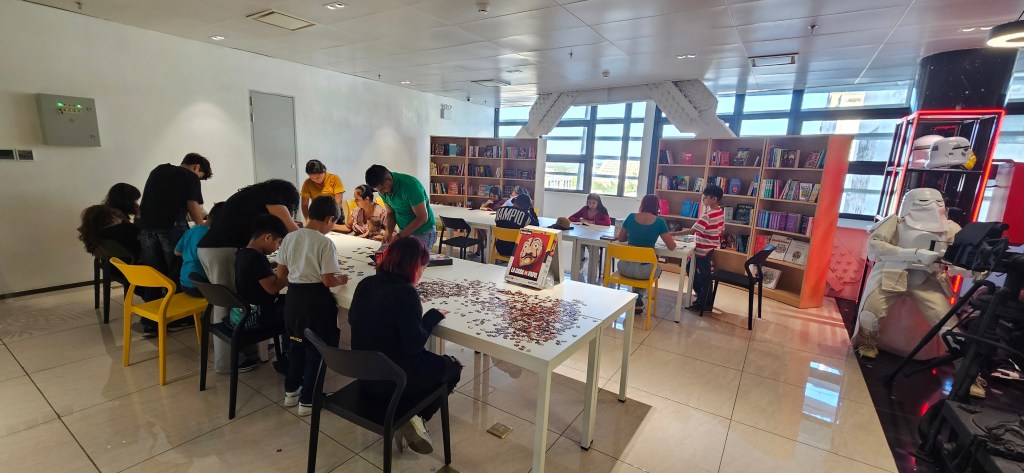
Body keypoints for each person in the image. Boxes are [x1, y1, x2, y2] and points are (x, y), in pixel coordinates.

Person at [348, 236, 462, 454]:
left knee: (424, 360)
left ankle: (409, 415)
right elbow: (414, 344)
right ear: (413, 266)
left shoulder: (365, 284)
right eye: (422, 267)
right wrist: (430, 317)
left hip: (364, 376)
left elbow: (354, 320)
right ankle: (414, 416)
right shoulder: (406, 293)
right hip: (394, 380)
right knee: (452, 367)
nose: (422, 272)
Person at [198, 179, 300, 374]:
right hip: (221, 251)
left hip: (210, 248)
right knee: (226, 304)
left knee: (236, 300)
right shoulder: (274, 201)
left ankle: (249, 349)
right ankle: (227, 362)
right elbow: (296, 235)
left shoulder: (250, 196)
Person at [856, 188, 960, 360]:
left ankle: (962, 362)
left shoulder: (950, 228)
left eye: (937, 202)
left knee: (948, 324)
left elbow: (959, 256)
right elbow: (876, 246)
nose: (931, 206)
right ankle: (867, 343)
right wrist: (914, 253)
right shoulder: (895, 223)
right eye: (924, 202)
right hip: (893, 275)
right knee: (870, 312)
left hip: (928, 280)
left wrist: (967, 268)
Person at [277, 195, 349, 416]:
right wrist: (342, 279)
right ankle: (308, 400)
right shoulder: (324, 242)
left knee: (296, 345)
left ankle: (291, 392)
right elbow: (328, 281)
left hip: (293, 299)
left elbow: (281, 274)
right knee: (317, 351)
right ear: (329, 219)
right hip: (316, 301)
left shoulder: (290, 238)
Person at [136, 153, 211, 334]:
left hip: (146, 229)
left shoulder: (158, 170)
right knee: (177, 271)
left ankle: (151, 322)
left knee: (153, 274)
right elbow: (193, 205)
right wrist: (201, 228)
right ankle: (179, 317)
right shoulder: (190, 176)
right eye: (201, 176)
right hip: (171, 227)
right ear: (197, 168)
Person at [617, 194, 677, 313]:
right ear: (657, 207)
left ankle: (635, 297)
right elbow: (671, 246)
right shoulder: (659, 222)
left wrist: (634, 235)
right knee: (654, 268)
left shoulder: (631, 217)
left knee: (637, 264)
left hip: (624, 267)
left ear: (642, 204)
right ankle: (638, 296)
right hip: (645, 271)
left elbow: (621, 239)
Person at [232, 214, 289, 332]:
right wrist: (290, 273)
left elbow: (259, 271)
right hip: (255, 318)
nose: (278, 247)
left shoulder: (243, 252)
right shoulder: (257, 258)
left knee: (289, 302)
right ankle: (292, 343)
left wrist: (278, 264)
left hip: (241, 314)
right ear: (268, 237)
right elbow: (272, 288)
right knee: (297, 309)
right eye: (279, 242)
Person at [673, 185, 724, 311]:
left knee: (702, 274)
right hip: (709, 246)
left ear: (714, 199)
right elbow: (721, 230)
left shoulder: (708, 215)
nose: (703, 199)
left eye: (705, 197)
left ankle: (704, 301)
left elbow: (693, 230)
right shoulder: (720, 212)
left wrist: (672, 234)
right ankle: (703, 297)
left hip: (703, 249)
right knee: (699, 271)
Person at [365, 164, 438, 250]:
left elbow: (422, 218)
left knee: (419, 258)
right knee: (403, 257)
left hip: (423, 231)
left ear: (389, 179)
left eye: (382, 189)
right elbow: (391, 212)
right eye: (378, 190)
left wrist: (400, 236)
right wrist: (388, 232)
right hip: (404, 230)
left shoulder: (410, 186)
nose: (382, 193)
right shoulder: (383, 191)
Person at [174, 202, 223, 298]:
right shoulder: (215, 235)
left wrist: (190, 253)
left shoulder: (190, 231)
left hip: (184, 283)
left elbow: (177, 252)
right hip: (201, 288)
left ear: (208, 216)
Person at [300, 159, 347, 232]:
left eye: (318, 178)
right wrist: (308, 220)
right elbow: (304, 205)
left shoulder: (334, 179)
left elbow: (338, 201)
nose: (315, 180)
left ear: (324, 171)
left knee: (337, 236)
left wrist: (333, 220)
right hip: (317, 215)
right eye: (312, 178)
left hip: (334, 213)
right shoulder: (307, 183)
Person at [494, 194, 539, 258]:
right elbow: (536, 225)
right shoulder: (526, 216)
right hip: (517, 250)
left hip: (499, 248)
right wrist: (531, 209)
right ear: (527, 206)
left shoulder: (499, 210)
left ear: (515, 201)